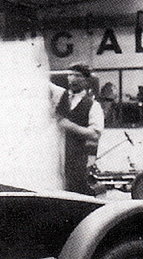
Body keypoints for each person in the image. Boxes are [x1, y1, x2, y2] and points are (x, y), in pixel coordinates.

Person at [51, 63, 105, 195]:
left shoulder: (93, 105)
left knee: (76, 194)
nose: (73, 79)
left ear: (87, 80)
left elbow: (95, 134)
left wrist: (69, 126)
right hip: (55, 158)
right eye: (70, 75)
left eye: (78, 76)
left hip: (77, 161)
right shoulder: (60, 97)